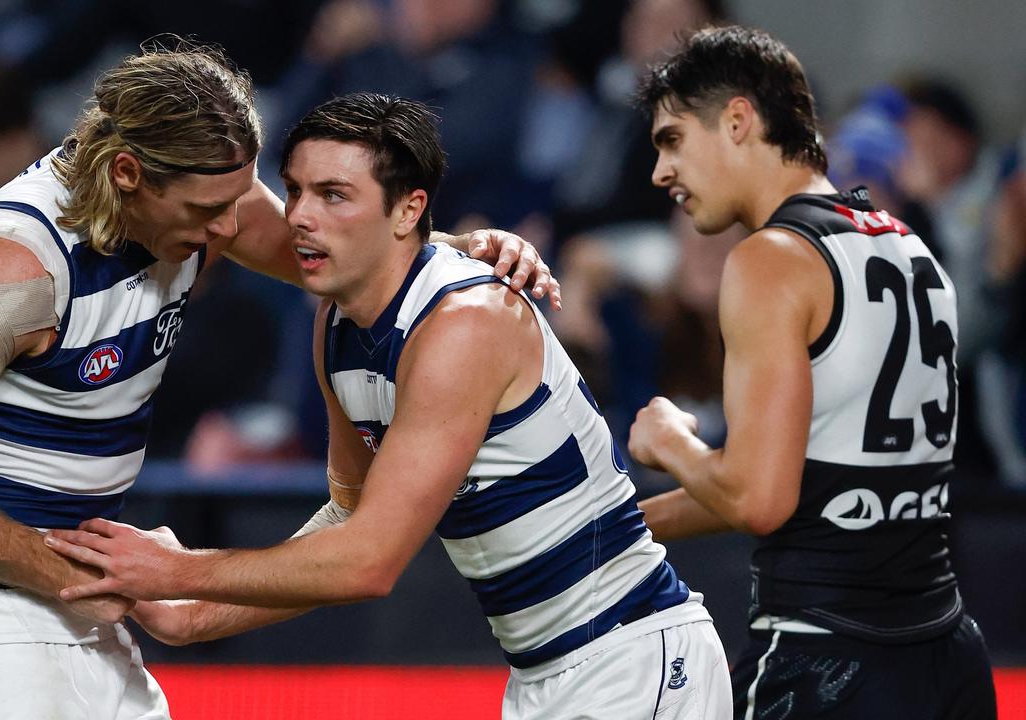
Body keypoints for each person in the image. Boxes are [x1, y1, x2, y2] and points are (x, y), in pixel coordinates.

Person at [0, 45, 558, 719]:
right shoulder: (14, 264)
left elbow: (337, 259)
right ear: (127, 174)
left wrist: (455, 253)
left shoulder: (196, 188)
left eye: (238, 197)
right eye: (206, 212)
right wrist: (74, 576)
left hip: (79, 614)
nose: (230, 227)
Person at [44, 92, 731, 720]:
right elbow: (346, 523)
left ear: (408, 210)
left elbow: (368, 562)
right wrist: (193, 613)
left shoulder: (465, 322)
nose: (302, 216)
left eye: (334, 194)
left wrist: (178, 569)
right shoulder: (334, 325)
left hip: (635, 660)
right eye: (295, 191)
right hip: (550, 676)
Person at [625, 26, 996, 719]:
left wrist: (670, 443)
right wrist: (623, 526)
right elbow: (815, 481)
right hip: (949, 656)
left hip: (828, 662)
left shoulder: (769, 261)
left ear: (737, 120)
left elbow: (758, 499)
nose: (660, 172)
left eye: (672, 139)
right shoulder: (908, 244)